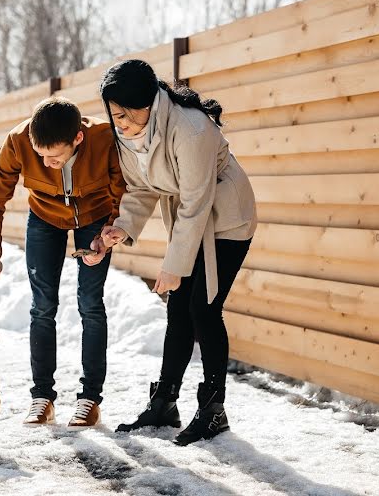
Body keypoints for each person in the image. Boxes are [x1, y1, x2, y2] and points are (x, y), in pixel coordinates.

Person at [89, 59, 257, 446]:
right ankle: (164, 402)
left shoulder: (191, 130)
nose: (120, 123)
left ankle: (214, 411)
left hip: (227, 216)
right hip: (192, 218)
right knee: (178, 307)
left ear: (148, 102)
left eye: (125, 114)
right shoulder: (131, 134)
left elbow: (197, 202)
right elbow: (143, 187)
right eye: (114, 115)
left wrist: (173, 267)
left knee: (203, 307)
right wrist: (124, 226)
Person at [0, 96, 125, 429]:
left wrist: (108, 236)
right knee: (42, 306)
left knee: (90, 302)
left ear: (77, 139)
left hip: (95, 216)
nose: (46, 162)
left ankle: (90, 399)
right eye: (40, 155)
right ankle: (42, 397)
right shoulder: (17, 141)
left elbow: (122, 192)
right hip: (44, 216)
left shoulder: (103, 138)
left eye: (55, 156)